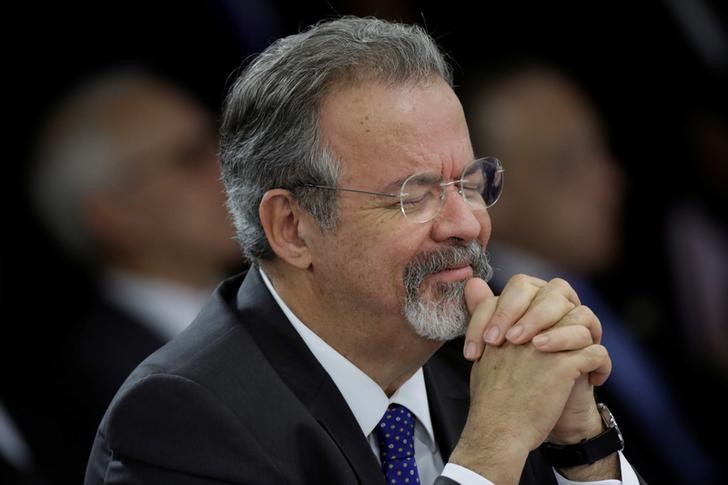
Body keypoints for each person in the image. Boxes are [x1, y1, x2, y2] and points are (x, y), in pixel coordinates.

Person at [86, 18, 646, 484]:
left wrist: (582, 450)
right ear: (293, 227)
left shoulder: (487, 354)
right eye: (415, 194)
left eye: (469, 184)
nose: (464, 224)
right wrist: (490, 453)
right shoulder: (181, 421)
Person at [462, 64, 720, 483]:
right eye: (566, 165)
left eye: (599, 151)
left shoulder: (633, 279)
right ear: (489, 192)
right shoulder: (483, 336)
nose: (609, 181)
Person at [27, 68, 242, 483]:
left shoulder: (286, 308)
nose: (226, 163)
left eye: (219, 137)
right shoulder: (97, 390)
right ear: (113, 215)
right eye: (188, 156)